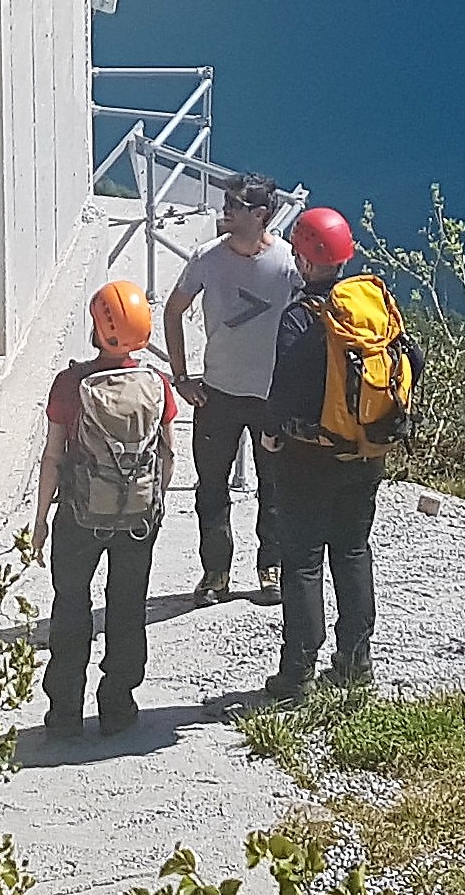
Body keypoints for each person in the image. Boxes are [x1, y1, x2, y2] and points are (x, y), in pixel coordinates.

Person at [257, 205, 396, 699]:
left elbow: (283, 389)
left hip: (308, 458)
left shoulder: (302, 318)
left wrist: (271, 435)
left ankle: (297, 675)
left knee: (303, 562)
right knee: (354, 551)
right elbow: (412, 362)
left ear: (305, 259)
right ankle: (356, 661)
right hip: (365, 455)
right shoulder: (369, 309)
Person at [33, 278, 176, 737]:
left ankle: (65, 715)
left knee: (72, 605)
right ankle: (117, 706)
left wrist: (39, 522)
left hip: (79, 513)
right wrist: (152, 502)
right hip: (138, 518)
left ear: (98, 328)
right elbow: (169, 454)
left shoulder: (71, 385)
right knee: (127, 605)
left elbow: (53, 456)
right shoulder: (156, 385)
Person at [163, 173, 298, 606]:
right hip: (216, 393)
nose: (225, 210)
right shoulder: (207, 258)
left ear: (260, 214)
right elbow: (173, 310)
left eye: (235, 205)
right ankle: (215, 572)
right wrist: (180, 377)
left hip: (270, 396)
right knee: (211, 486)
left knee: (274, 484)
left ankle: (270, 567)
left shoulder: (289, 263)